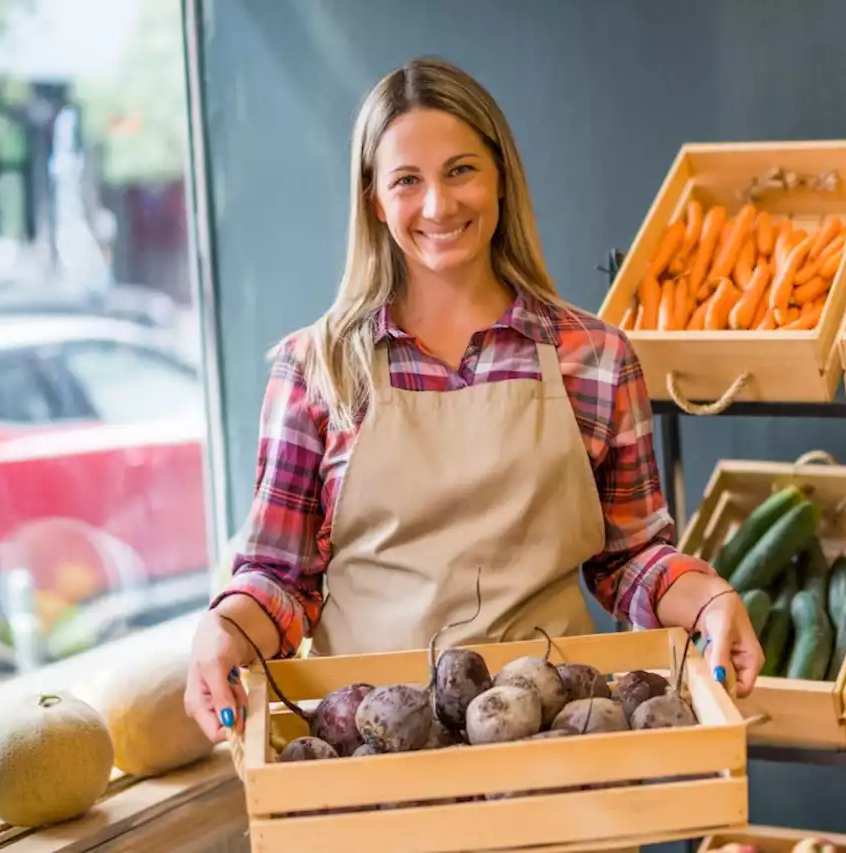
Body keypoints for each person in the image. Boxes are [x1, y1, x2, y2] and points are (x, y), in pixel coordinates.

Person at [184, 56, 763, 742]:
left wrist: (712, 601)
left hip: (556, 746)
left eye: (461, 170)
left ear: (500, 177)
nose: (438, 204)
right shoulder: (317, 370)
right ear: (374, 198)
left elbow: (629, 558)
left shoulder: (596, 359)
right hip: (374, 759)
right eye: (407, 180)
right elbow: (282, 580)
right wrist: (224, 629)